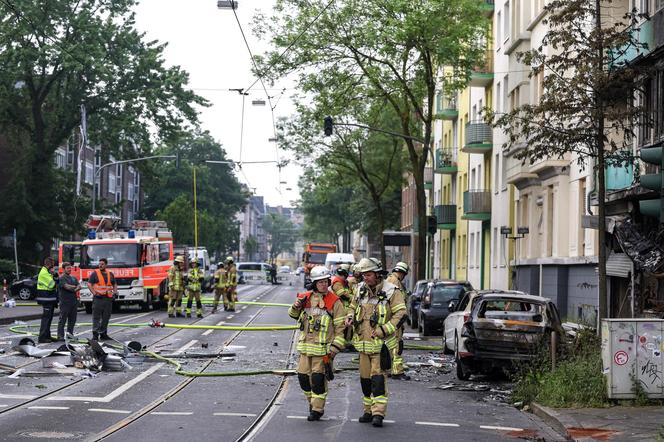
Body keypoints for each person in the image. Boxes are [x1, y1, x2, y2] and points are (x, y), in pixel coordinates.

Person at [350, 257, 406, 427]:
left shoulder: (391, 291)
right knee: (365, 380)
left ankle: (378, 413)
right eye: (363, 274)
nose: (364, 277)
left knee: (378, 380)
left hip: (381, 346)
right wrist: (350, 316)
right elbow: (353, 307)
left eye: (368, 274)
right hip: (363, 344)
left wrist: (384, 330)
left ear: (377, 274)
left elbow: (401, 314)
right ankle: (367, 411)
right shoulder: (360, 289)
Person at [288, 266, 347, 421]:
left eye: (325, 281)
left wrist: (335, 348)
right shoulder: (305, 298)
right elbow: (293, 315)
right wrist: (296, 306)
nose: (323, 284)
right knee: (302, 378)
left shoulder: (335, 301)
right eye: (319, 282)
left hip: (323, 351)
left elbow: (341, 329)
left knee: (318, 380)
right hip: (305, 348)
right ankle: (312, 403)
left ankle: (317, 409)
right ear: (313, 283)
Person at [386, 261, 410, 380]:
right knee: (397, 345)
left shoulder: (390, 280)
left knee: (391, 345)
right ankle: (397, 371)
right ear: (402, 272)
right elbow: (398, 302)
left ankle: (389, 369)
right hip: (395, 319)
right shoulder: (395, 282)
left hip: (392, 319)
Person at [88, 258, 117, 340]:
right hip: (98, 299)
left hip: (108, 299)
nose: (100, 265)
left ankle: (103, 334)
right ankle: (95, 335)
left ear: (106, 265)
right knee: (96, 317)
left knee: (106, 317)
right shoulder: (95, 274)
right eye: (99, 264)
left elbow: (114, 284)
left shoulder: (110, 274)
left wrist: (115, 292)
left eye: (102, 264)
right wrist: (94, 293)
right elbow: (89, 284)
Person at [36, 257, 59, 343]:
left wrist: (54, 275)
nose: (53, 267)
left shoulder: (47, 272)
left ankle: (47, 336)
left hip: (50, 299)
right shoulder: (44, 273)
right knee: (46, 319)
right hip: (46, 299)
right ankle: (42, 338)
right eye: (52, 265)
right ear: (49, 264)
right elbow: (52, 285)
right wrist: (55, 277)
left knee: (49, 318)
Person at [57, 262, 80, 340]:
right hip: (65, 302)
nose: (70, 269)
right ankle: (60, 336)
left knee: (72, 320)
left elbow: (79, 286)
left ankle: (70, 335)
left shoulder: (73, 278)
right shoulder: (61, 278)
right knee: (63, 319)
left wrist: (74, 288)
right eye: (68, 268)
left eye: (70, 268)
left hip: (73, 302)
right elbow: (66, 287)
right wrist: (75, 288)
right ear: (63, 269)